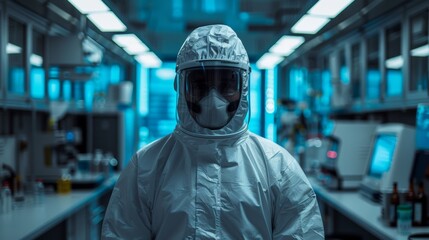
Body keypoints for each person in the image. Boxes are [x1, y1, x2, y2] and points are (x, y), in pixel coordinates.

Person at [101, 24, 324, 239]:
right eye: (200, 85)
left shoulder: (278, 167)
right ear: (181, 86)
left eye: (226, 85)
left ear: (243, 87)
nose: (213, 99)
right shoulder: (146, 167)